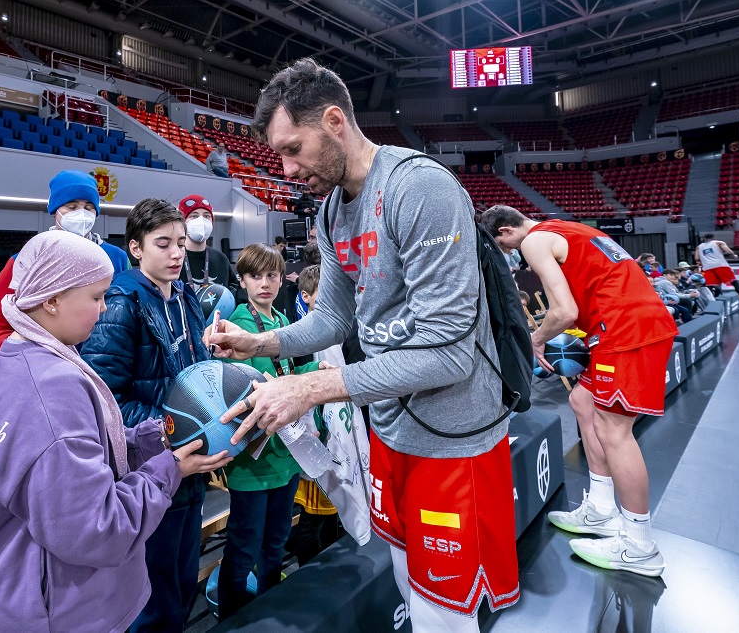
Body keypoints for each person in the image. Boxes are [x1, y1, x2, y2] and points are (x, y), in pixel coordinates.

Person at [207, 58, 519, 631]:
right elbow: (331, 317)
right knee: (405, 575)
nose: (286, 168)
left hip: (453, 436)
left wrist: (317, 387)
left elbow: (447, 353)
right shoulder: (330, 211)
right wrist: (258, 342)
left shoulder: (417, 186)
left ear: (334, 120)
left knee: (443, 606)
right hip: (391, 423)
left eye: (293, 148)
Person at [0, 231, 229, 632]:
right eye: (96, 297)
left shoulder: (23, 355)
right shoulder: (50, 388)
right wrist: (169, 469)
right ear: (51, 299)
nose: (103, 309)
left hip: (27, 599)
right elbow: (98, 528)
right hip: (47, 613)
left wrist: (155, 439)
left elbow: (87, 454)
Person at [481, 205, 679, 578]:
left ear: (505, 232)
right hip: (626, 324)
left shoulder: (535, 241)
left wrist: (535, 340)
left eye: (504, 249)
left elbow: (565, 311)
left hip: (625, 331)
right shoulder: (566, 227)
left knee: (615, 431)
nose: (512, 257)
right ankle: (602, 510)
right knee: (581, 400)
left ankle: (640, 547)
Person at [81, 199, 227, 632]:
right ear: (136, 249)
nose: (177, 253)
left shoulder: (184, 296)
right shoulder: (122, 304)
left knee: (182, 581)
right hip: (151, 466)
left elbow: (197, 378)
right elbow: (107, 401)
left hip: (190, 462)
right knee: (151, 594)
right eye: (163, 244)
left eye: (180, 243)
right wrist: (172, 431)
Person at [217, 244, 319, 619]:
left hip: (287, 451)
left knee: (276, 542)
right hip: (252, 458)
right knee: (244, 545)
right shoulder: (237, 325)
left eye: (272, 275)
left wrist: (319, 374)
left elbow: (288, 379)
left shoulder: (282, 320)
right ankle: (231, 618)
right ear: (241, 281)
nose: (265, 283)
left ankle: (269, 610)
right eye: (255, 276)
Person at [0, 169, 130, 357]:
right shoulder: (25, 261)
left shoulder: (116, 258)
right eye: (72, 206)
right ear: (55, 210)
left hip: (106, 369)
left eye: (89, 207)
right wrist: (32, 356)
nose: (81, 213)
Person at [284, 264, 345, 566]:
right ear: (306, 297)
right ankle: (309, 564)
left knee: (331, 509)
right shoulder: (300, 336)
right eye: (326, 294)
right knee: (313, 514)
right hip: (313, 432)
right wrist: (313, 425)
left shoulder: (340, 330)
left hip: (337, 429)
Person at [177, 194, 237, 292]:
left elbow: (234, 287)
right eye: (194, 216)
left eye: (206, 216)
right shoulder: (175, 257)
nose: (201, 220)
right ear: (183, 222)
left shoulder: (220, 259)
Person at [695, 233, 739, 310]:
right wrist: (734, 255)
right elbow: (728, 251)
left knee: (710, 287)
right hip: (720, 265)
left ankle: (710, 308)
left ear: (705, 238)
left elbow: (697, 258)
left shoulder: (699, 247)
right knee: (734, 283)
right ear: (713, 237)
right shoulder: (719, 243)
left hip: (708, 267)